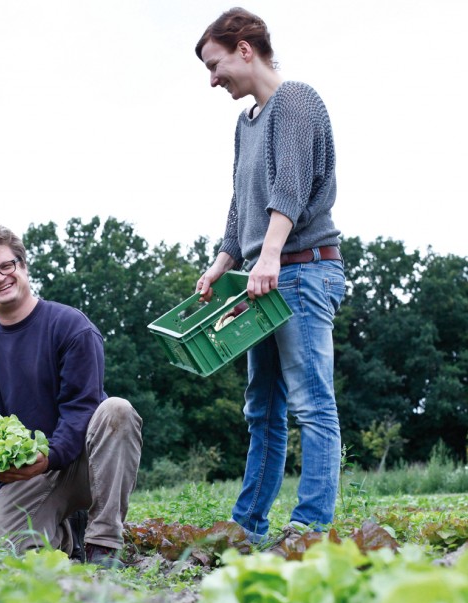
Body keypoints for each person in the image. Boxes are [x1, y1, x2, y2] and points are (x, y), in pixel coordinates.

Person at [193, 8, 347, 554]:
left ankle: (308, 529)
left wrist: (271, 256)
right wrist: (223, 260)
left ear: (243, 48)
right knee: (263, 408)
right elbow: (243, 201)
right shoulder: (247, 122)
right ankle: (248, 525)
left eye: (214, 66)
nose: (213, 80)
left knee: (312, 404)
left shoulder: (296, 100)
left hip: (303, 271)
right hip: (265, 278)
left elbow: (292, 185)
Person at [0, 225, 143, 568]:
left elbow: (81, 408)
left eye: (6, 266)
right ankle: (65, 533)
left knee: (117, 410)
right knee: (1, 554)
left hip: (87, 462)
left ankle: (103, 544)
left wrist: (51, 455)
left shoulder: (71, 326)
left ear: (23, 266)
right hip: (28, 475)